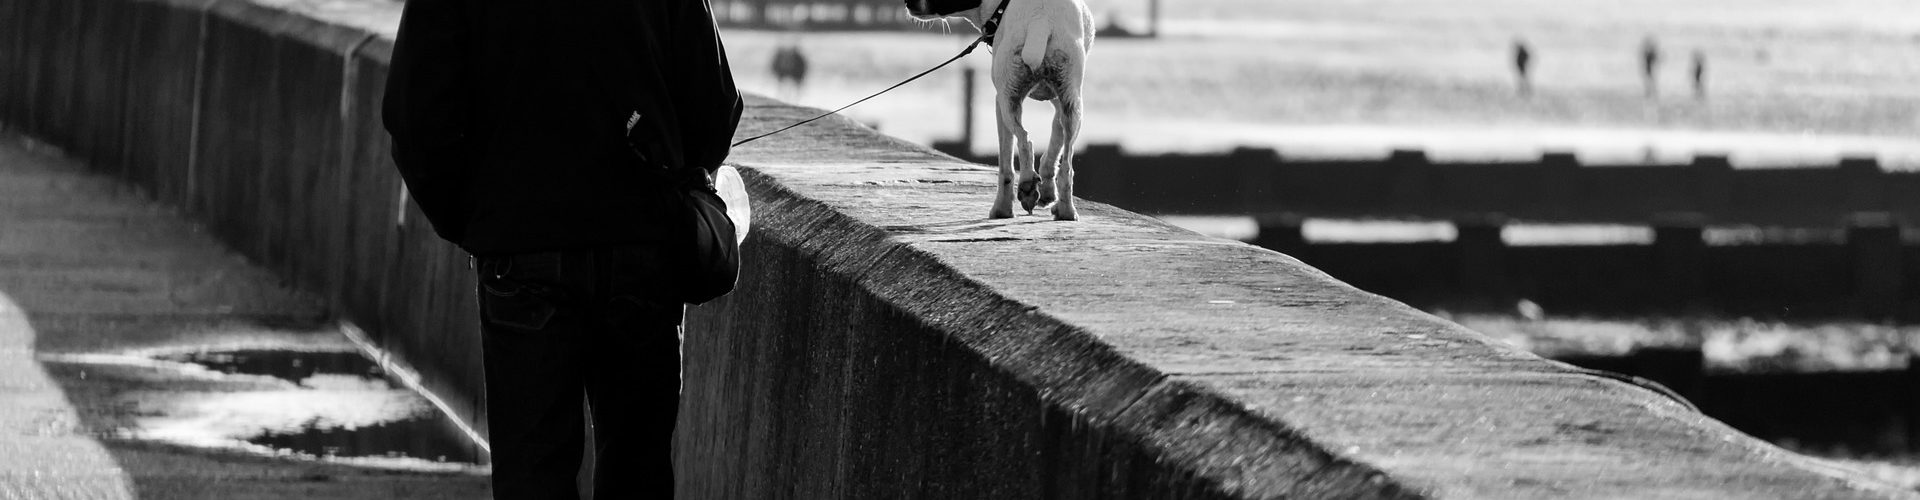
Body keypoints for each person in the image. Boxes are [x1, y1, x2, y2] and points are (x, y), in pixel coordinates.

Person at [381, 0, 744, 497]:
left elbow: (414, 118)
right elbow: (714, 108)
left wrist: (476, 223)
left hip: (521, 250)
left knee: (533, 475)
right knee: (638, 470)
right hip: (640, 247)